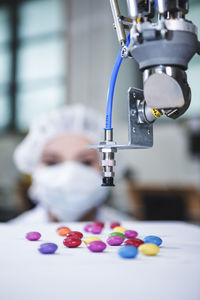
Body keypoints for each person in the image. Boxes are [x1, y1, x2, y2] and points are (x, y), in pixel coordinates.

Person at [11, 104, 130, 223]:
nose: (68, 175)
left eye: (86, 162)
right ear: (34, 167)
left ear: (106, 169)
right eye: (52, 162)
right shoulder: (11, 234)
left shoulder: (130, 231)